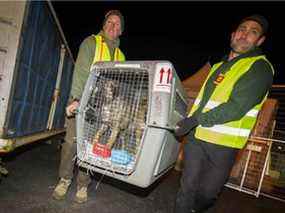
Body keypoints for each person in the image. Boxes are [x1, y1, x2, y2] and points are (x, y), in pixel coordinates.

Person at [174, 14, 274, 213]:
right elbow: (203, 102)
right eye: (242, 29)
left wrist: (194, 120)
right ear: (233, 35)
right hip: (196, 138)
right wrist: (188, 123)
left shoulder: (260, 68)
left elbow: (236, 107)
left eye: (253, 32)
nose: (245, 35)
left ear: (260, 41)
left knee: (207, 194)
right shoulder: (218, 66)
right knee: (186, 188)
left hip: (223, 146)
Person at [52, 10, 126, 203]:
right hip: (83, 103)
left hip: (104, 110)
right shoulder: (91, 43)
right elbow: (81, 72)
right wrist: (75, 99)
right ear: (104, 25)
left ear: (121, 31)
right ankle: (64, 179)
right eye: (110, 22)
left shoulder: (122, 56)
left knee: (92, 148)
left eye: (117, 24)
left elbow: (122, 85)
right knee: (72, 143)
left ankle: (83, 184)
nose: (112, 26)